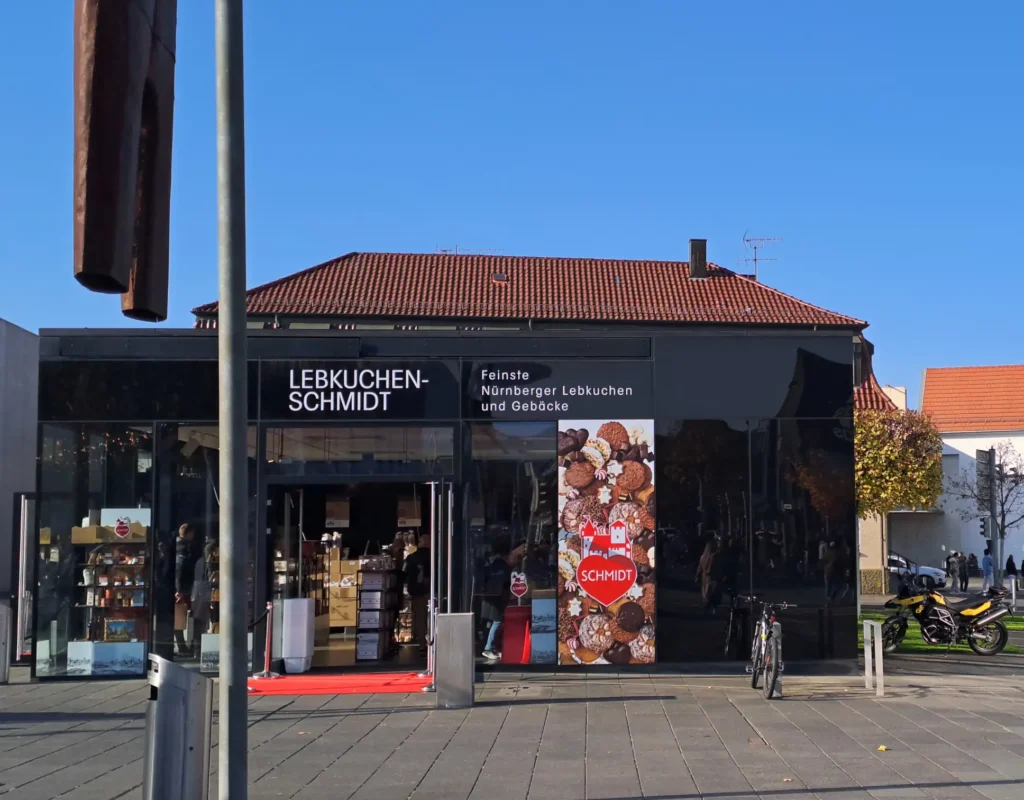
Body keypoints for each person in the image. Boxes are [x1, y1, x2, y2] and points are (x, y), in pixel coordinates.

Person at [480, 543, 512, 661]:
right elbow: (507, 582)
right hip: (497, 597)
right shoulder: (503, 566)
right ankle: (488, 648)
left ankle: (491, 647)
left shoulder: (492, 565)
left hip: (489, 597)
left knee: (492, 622)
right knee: (497, 621)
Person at [404, 534, 431, 654]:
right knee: (433, 617)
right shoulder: (435, 556)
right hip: (430, 591)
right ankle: (433, 641)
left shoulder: (411, 558)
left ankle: (422, 644)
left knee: (420, 619)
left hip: (416, 591)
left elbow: (405, 574)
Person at [174, 523, 197, 657]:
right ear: (188, 533)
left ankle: (183, 645)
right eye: (192, 533)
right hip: (182, 588)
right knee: (181, 617)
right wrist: (179, 590)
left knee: (181, 617)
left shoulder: (179, 546)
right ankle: (182, 646)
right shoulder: (183, 549)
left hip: (182, 587)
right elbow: (180, 570)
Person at [696, 536, 722, 614]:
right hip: (712, 579)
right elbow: (711, 568)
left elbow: (699, 568)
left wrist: (697, 575)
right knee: (713, 596)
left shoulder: (702, 557)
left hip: (704, 579)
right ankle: (712, 609)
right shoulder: (714, 556)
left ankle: (707, 609)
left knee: (706, 596)